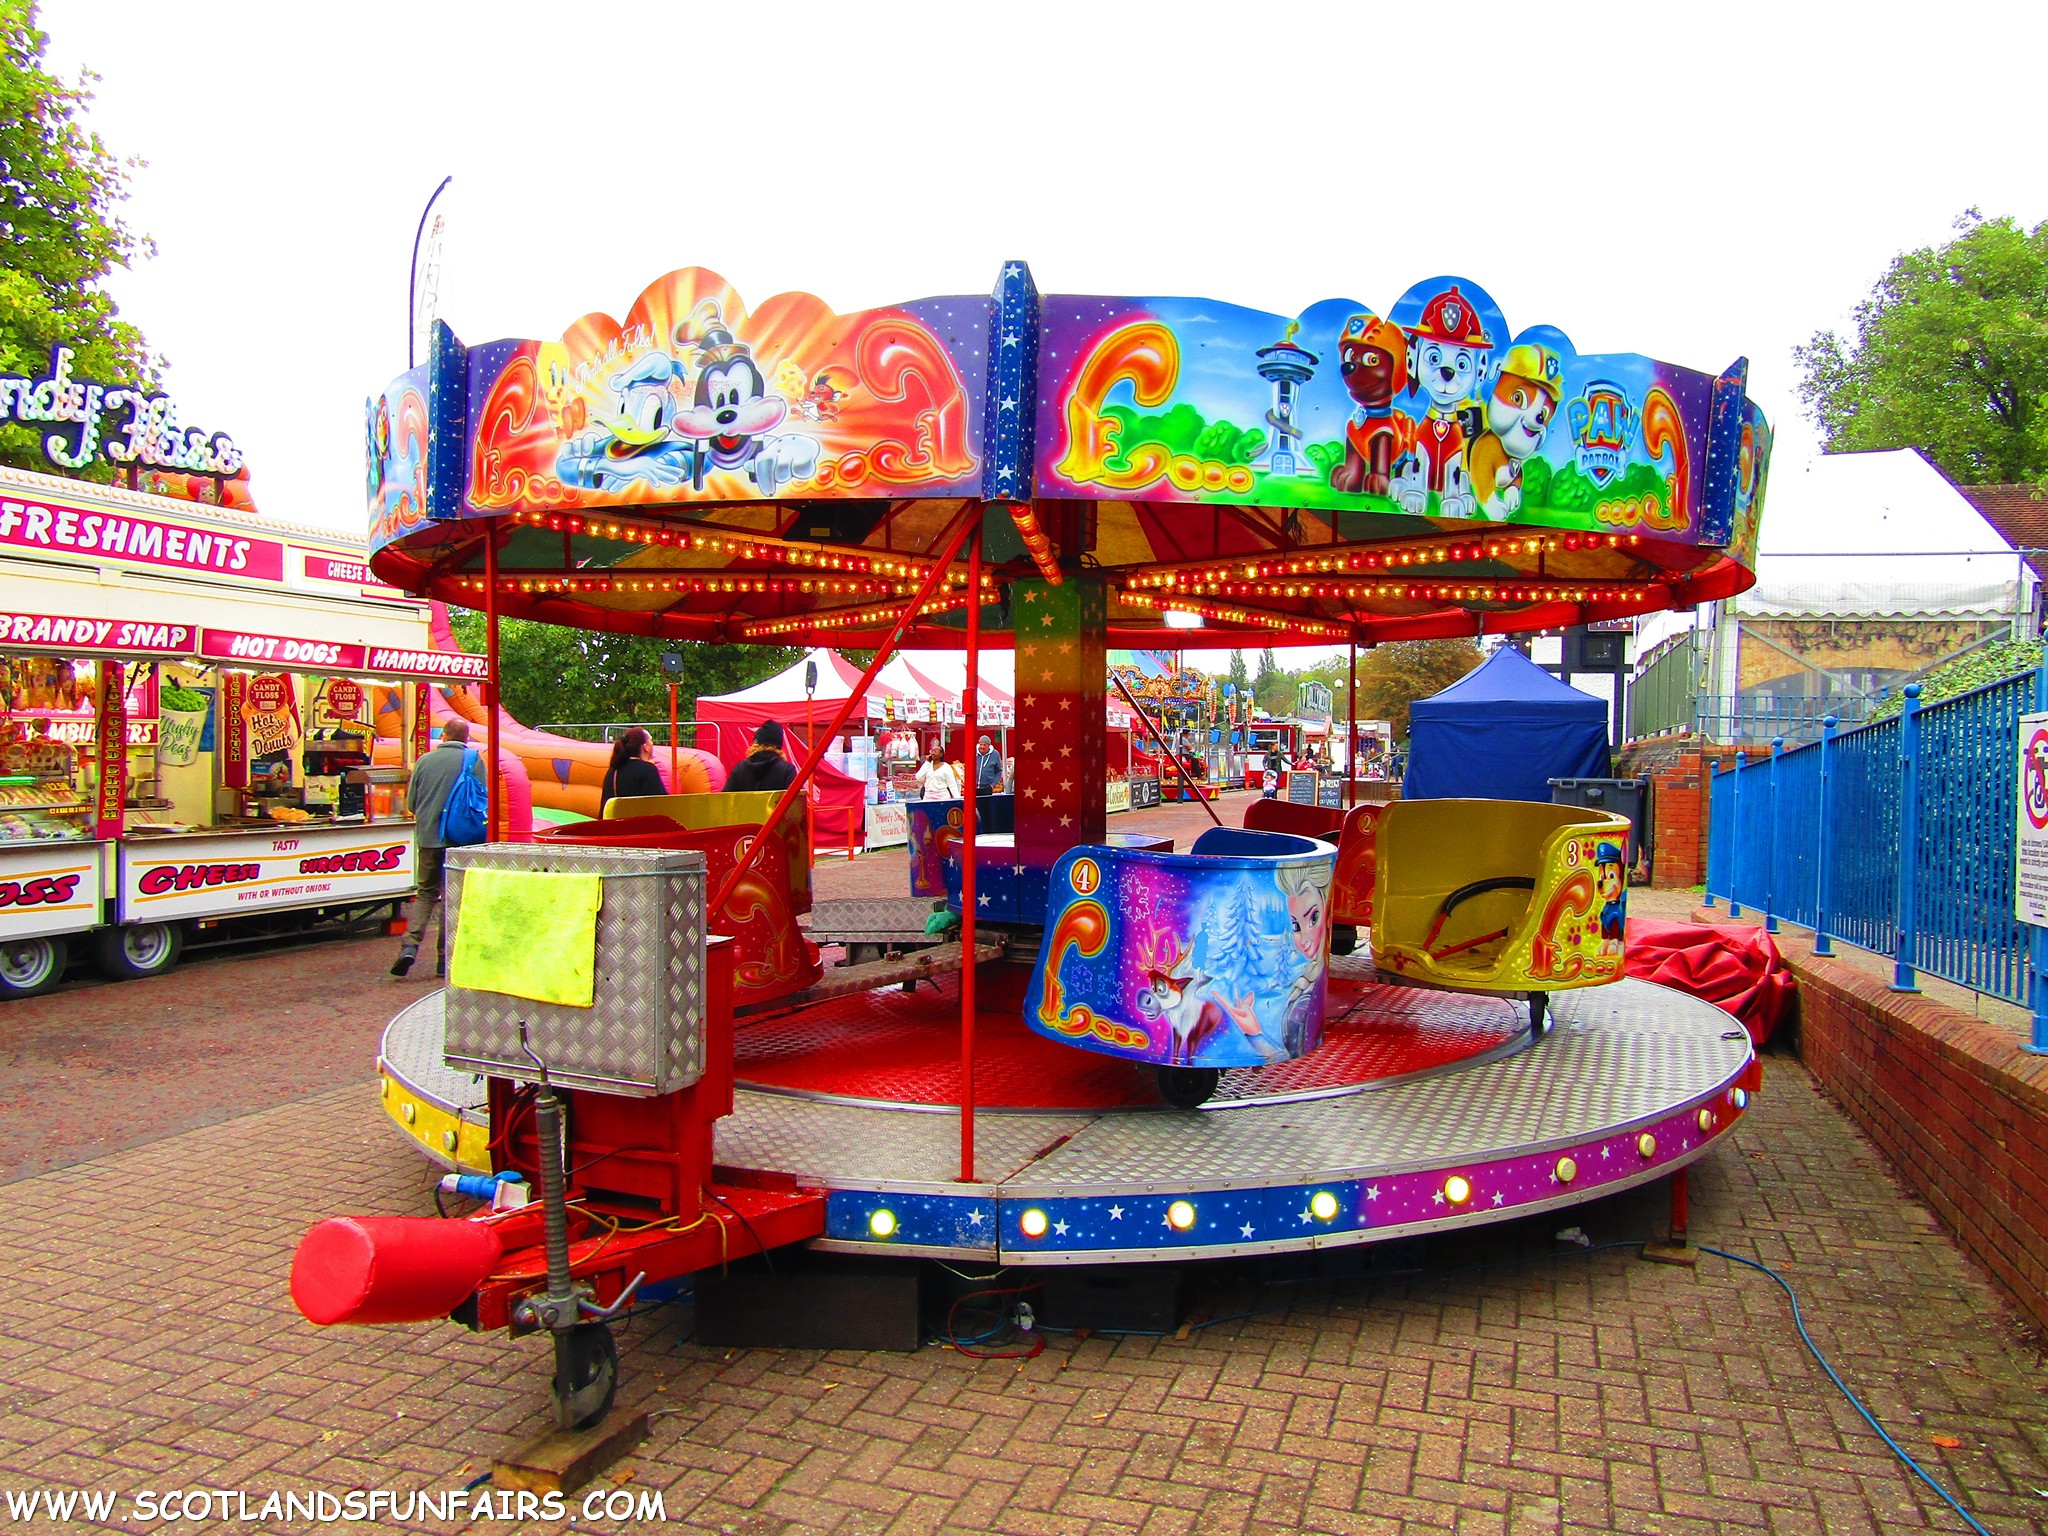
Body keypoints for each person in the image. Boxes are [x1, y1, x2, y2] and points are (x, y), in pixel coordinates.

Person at [390, 718, 487, 979]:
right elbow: (481, 800)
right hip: (460, 838)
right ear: (466, 738)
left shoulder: (424, 761)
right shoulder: (474, 760)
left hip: (428, 839)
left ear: (443, 736)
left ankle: (409, 946)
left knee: (426, 893)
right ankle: (444, 959)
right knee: (451, 897)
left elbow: (411, 804)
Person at [726, 721, 798, 793]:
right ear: (779, 746)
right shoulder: (787, 770)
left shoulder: (740, 768)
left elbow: (726, 797)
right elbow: (794, 798)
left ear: (756, 743)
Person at [600, 727, 665, 808]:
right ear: (646, 747)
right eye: (651, 740)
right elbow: (660, 804)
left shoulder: (613, 770)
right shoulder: (648, 770)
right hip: (639, 816)